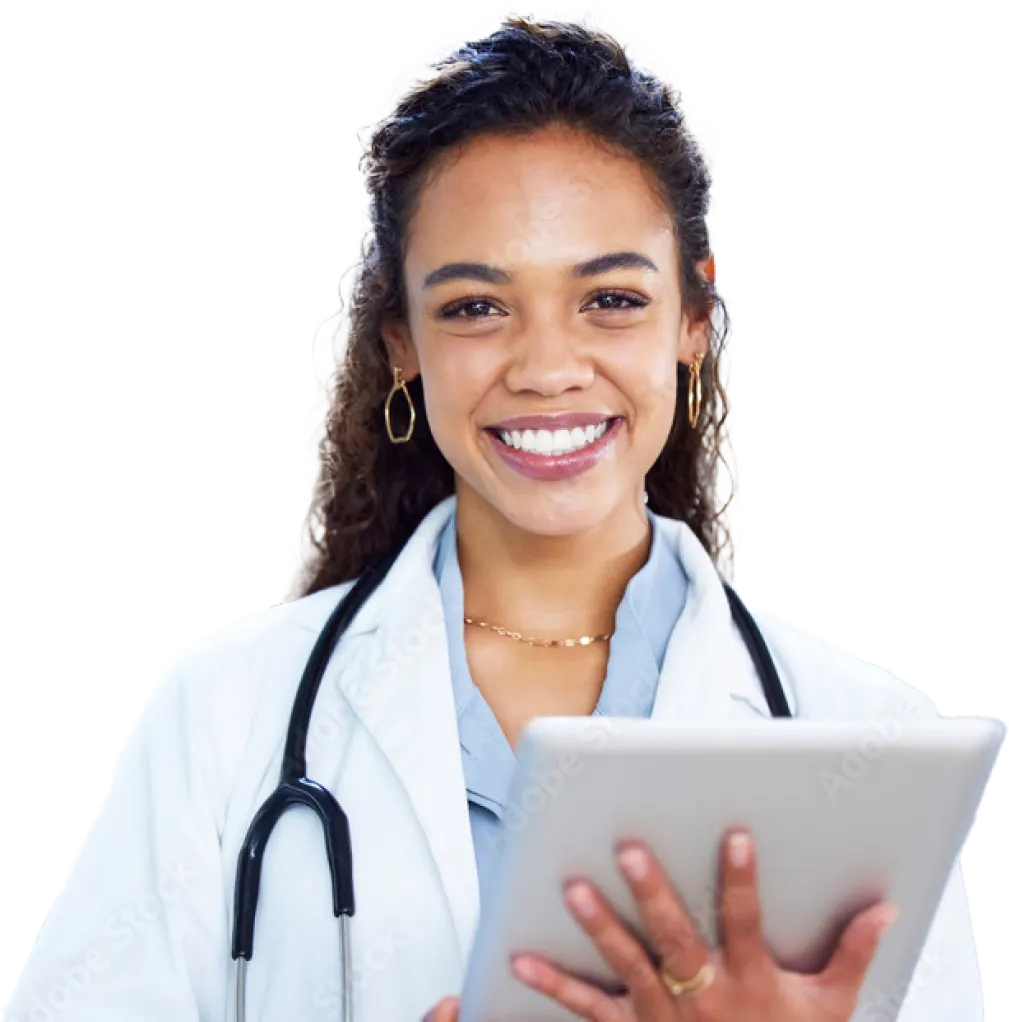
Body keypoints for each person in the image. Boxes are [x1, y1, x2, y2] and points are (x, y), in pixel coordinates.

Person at [6, 11, 983, 1022]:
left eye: (610, 298)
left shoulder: (864, 737)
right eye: (476, 306)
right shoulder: (223, 716)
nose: (547, 367)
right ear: (401, 343)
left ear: (695, 319)